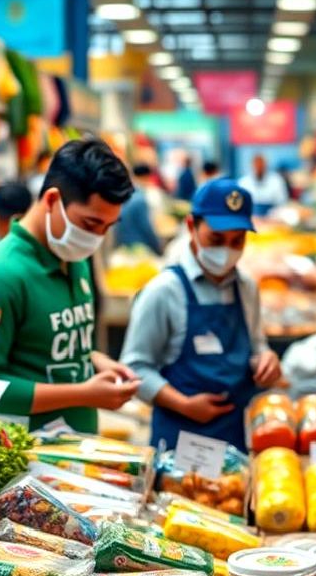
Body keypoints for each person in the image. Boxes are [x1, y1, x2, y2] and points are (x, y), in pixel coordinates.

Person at [0, 140, 139, 433]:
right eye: (91, 223)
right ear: (53, 200)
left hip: (75, 451)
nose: (97, 238)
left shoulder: (72, 255)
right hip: (27, 460)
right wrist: (84, 394)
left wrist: (95, 361)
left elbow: (45, 346)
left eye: (108, 226)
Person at [120, 178, 282, 451]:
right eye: (216, 239)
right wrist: (183, 404)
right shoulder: (164, 291)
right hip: (181, 441)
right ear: (191, 227)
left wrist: (265, 359)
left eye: (237, 241)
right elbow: (134, 369)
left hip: (236, 436)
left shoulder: (247, 287)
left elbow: (256, 344)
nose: (227, 251)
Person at [116, 164, 163, 254]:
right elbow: (146, 228)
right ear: (147, 177)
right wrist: (158, 248)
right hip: (138, 247)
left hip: (123, 245)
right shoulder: (140, 199)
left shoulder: (126, 193)